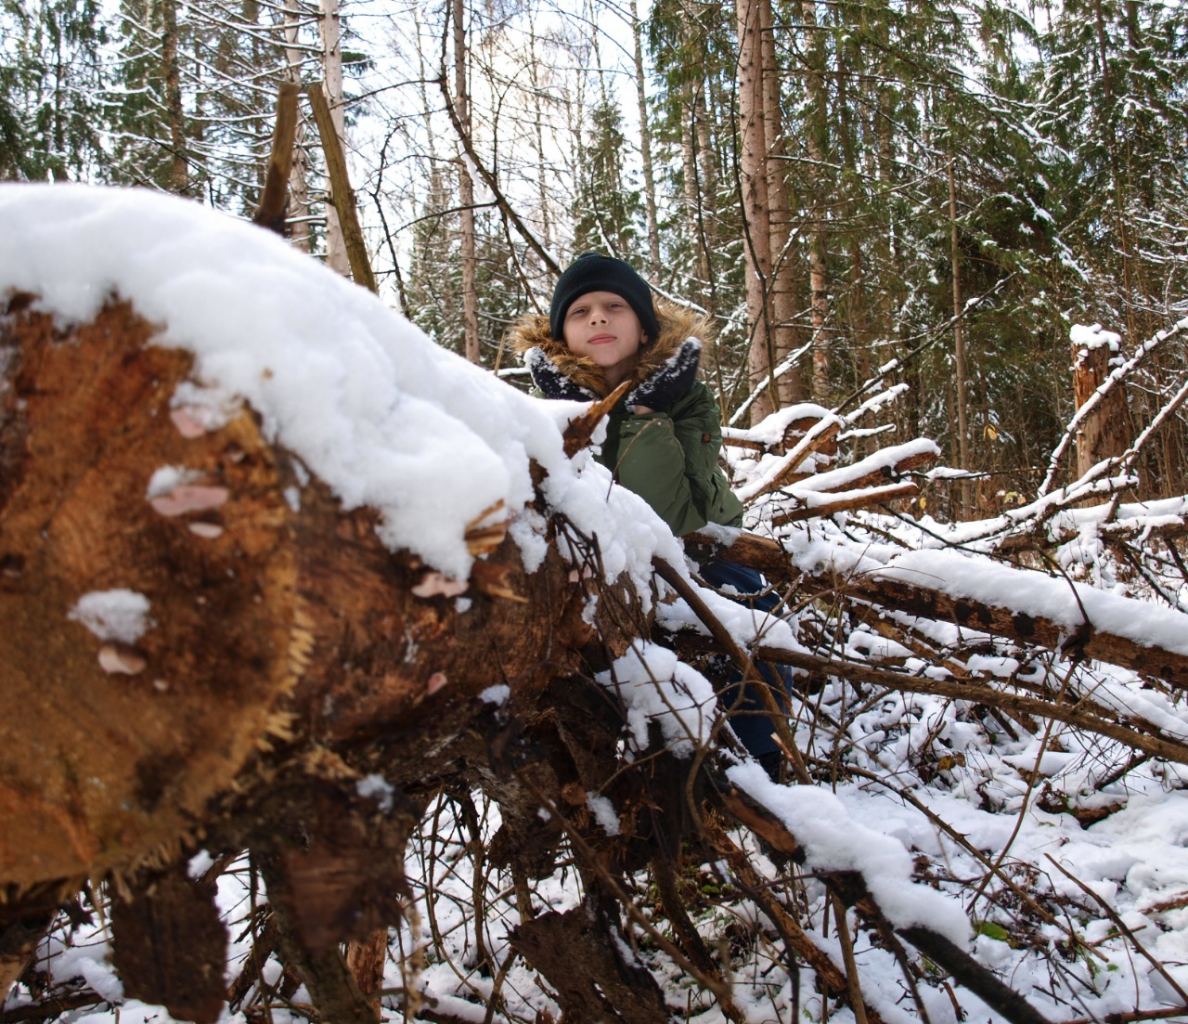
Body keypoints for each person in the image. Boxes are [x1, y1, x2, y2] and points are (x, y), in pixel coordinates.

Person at [510, 252, 790, 778]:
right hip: (589, 557)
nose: (597, 318)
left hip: (697, 547)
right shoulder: (540, 411)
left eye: (614, 306)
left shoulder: (685, 397)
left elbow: (671, 513)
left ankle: (761, 766)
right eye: (580, 311)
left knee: (751, 631)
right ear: (560, 335)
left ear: (643, 328)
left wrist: (643, 414)